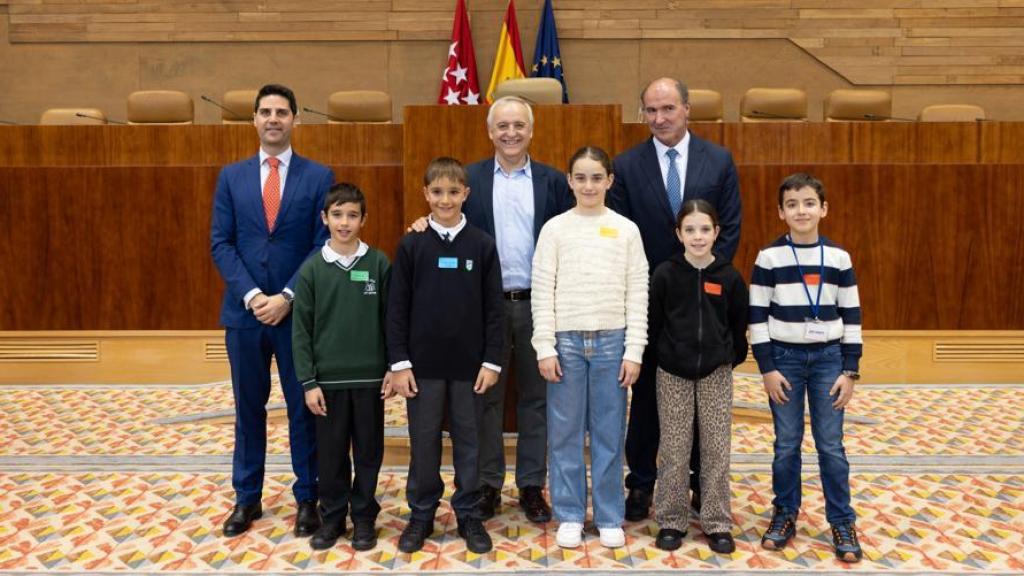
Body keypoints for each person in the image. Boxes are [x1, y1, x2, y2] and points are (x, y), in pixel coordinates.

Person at [609, 77, 742, 522]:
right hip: (648, 299)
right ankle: (642, 484)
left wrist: (699, 278)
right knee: (646, 398)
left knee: (704, 403)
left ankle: (703, 487)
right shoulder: (626, 166)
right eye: (651, 110)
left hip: (703, 301)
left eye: (668, 108)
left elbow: (731, 228)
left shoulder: (718, 160)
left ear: (687, 109)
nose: (660, 118)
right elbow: (623, 236)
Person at [210, 83, 334, 539]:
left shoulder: (319, 176)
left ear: (296, 120)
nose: (274, 119)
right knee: (249, 409)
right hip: (244, 316)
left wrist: (286, 296)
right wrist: (253, 297)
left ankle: (308, 499)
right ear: (254, 121)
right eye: (265, 112)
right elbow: (220, 243)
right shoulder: (232, 176)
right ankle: (247, 498)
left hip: (295, 315)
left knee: (304, 409)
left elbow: (322, 245)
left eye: (282, 112)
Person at [531, 146, 648, 549]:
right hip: (565, 342)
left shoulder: (626, 229)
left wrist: (634, 350)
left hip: (613, 343)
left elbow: (638, 292)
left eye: (596, 177)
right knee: (564, 433)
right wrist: (544, 345)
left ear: (609, 181)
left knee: (609, 433)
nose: (588, 185)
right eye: (580, 177)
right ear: (569, 181)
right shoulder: (555, 229)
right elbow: (542, 290)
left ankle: (610, 514)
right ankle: (568, 513)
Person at [387, 157, 505, 555]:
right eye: (437, 192)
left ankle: (469, 513)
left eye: (453, 192)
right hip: (422, 370)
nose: (445, 199)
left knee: (470, 442)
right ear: (426, 194)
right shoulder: (412, 244)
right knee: (424, 443)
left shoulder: (482, 245)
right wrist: (399, 362)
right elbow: (397, 309)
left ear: (466, 194)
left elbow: (494, 310)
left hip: (470, 369)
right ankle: (421, 513)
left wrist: (492, 361)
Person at [465, 96, 572, 523]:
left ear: (531, 130)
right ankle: (489, 484)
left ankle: (531, 484)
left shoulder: (553, 182)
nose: (511, 133)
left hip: (539, 305)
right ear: (490, 131)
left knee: (537, 399)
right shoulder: (469, 179)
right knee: (486, 398)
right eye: (502, 126)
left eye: (519, 125)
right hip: (485, 307)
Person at [749, 172, 863, 563]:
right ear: (781, 212)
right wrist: (766, 368)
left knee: (831, 446)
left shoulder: (838, 258)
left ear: (824, 209)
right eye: (793, 204)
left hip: (830, 361)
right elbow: (757, 317)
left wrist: (850, 370)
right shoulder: (769, 258)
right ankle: (784, 514)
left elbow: (852, 316)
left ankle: (842, 520)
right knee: (786, 444)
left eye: (809, 203)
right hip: (784, 361)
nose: (802, 210)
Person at [292, 183, 391, 551]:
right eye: (337, 215)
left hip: (369, 380)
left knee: (368, 452)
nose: (344, 222)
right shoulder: (312, 270)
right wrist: (308, 381)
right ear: (324, 218)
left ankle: (364, 516)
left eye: (352, 215)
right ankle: (332, 516)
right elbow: (300, 331)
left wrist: (393, 368)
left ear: (363, 219)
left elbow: (390, 322)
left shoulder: (378, 264)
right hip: (327, 385)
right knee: (331, 456)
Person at [648, 199, 748, 554]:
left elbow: (739, 328)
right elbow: (655, 323)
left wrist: (726, 359)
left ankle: (717, 521)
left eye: (705, 229)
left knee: (716, 448)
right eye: (690, 229)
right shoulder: (665, 274)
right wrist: (666, 356)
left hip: (716, 374)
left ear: (716, 232)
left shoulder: (729, 276)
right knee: (675, 449)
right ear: (678, 234)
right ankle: (672, 520)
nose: (698, 236)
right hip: (673, 372)